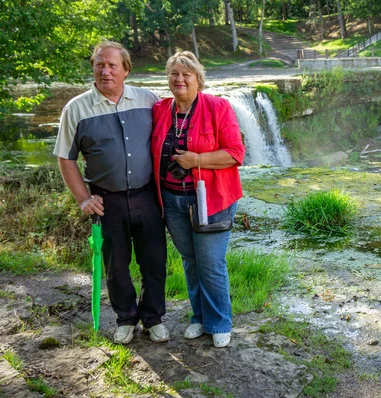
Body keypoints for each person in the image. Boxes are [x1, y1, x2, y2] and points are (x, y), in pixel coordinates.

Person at [54, 41, 169, 345]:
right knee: (116, 265)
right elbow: (65, 157)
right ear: (93, 68)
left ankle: (153, 318)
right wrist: (83, 198)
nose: (105, 71)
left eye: (112, 65)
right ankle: (126, 319)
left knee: (154, 261)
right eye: (99, 65)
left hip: (148, 196)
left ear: (126, 69)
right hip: (107, 201)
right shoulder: (76, 109)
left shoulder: (148, 100)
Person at [151, 51, 245, 348]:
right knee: (190, 261)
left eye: (186, 75)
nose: (179, 79)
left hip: (211, 199)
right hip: (172, 200)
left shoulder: (218, 107)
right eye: (174, 74)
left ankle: (219, 322)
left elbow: (234, 153)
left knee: (211, 262)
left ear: (198, 80)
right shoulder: (160, 109)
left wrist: (197, 160)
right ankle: (199, 317)